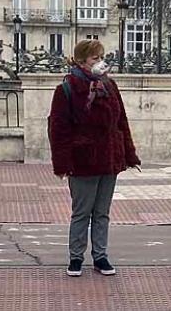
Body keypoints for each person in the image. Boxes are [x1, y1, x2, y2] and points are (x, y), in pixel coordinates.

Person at [48, 39, 140, 278]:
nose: (100, 63)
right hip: (83, 160)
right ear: (81, 62)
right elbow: (58, 129)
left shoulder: (109, 86)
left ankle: (100, 255)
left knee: (102, 212)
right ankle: (76, 257)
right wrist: (62, 163)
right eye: (94, 58)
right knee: (81, 211)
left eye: (101, 57)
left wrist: (128, 154)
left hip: (109, 158)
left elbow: (121, 122)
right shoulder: (67, 88)